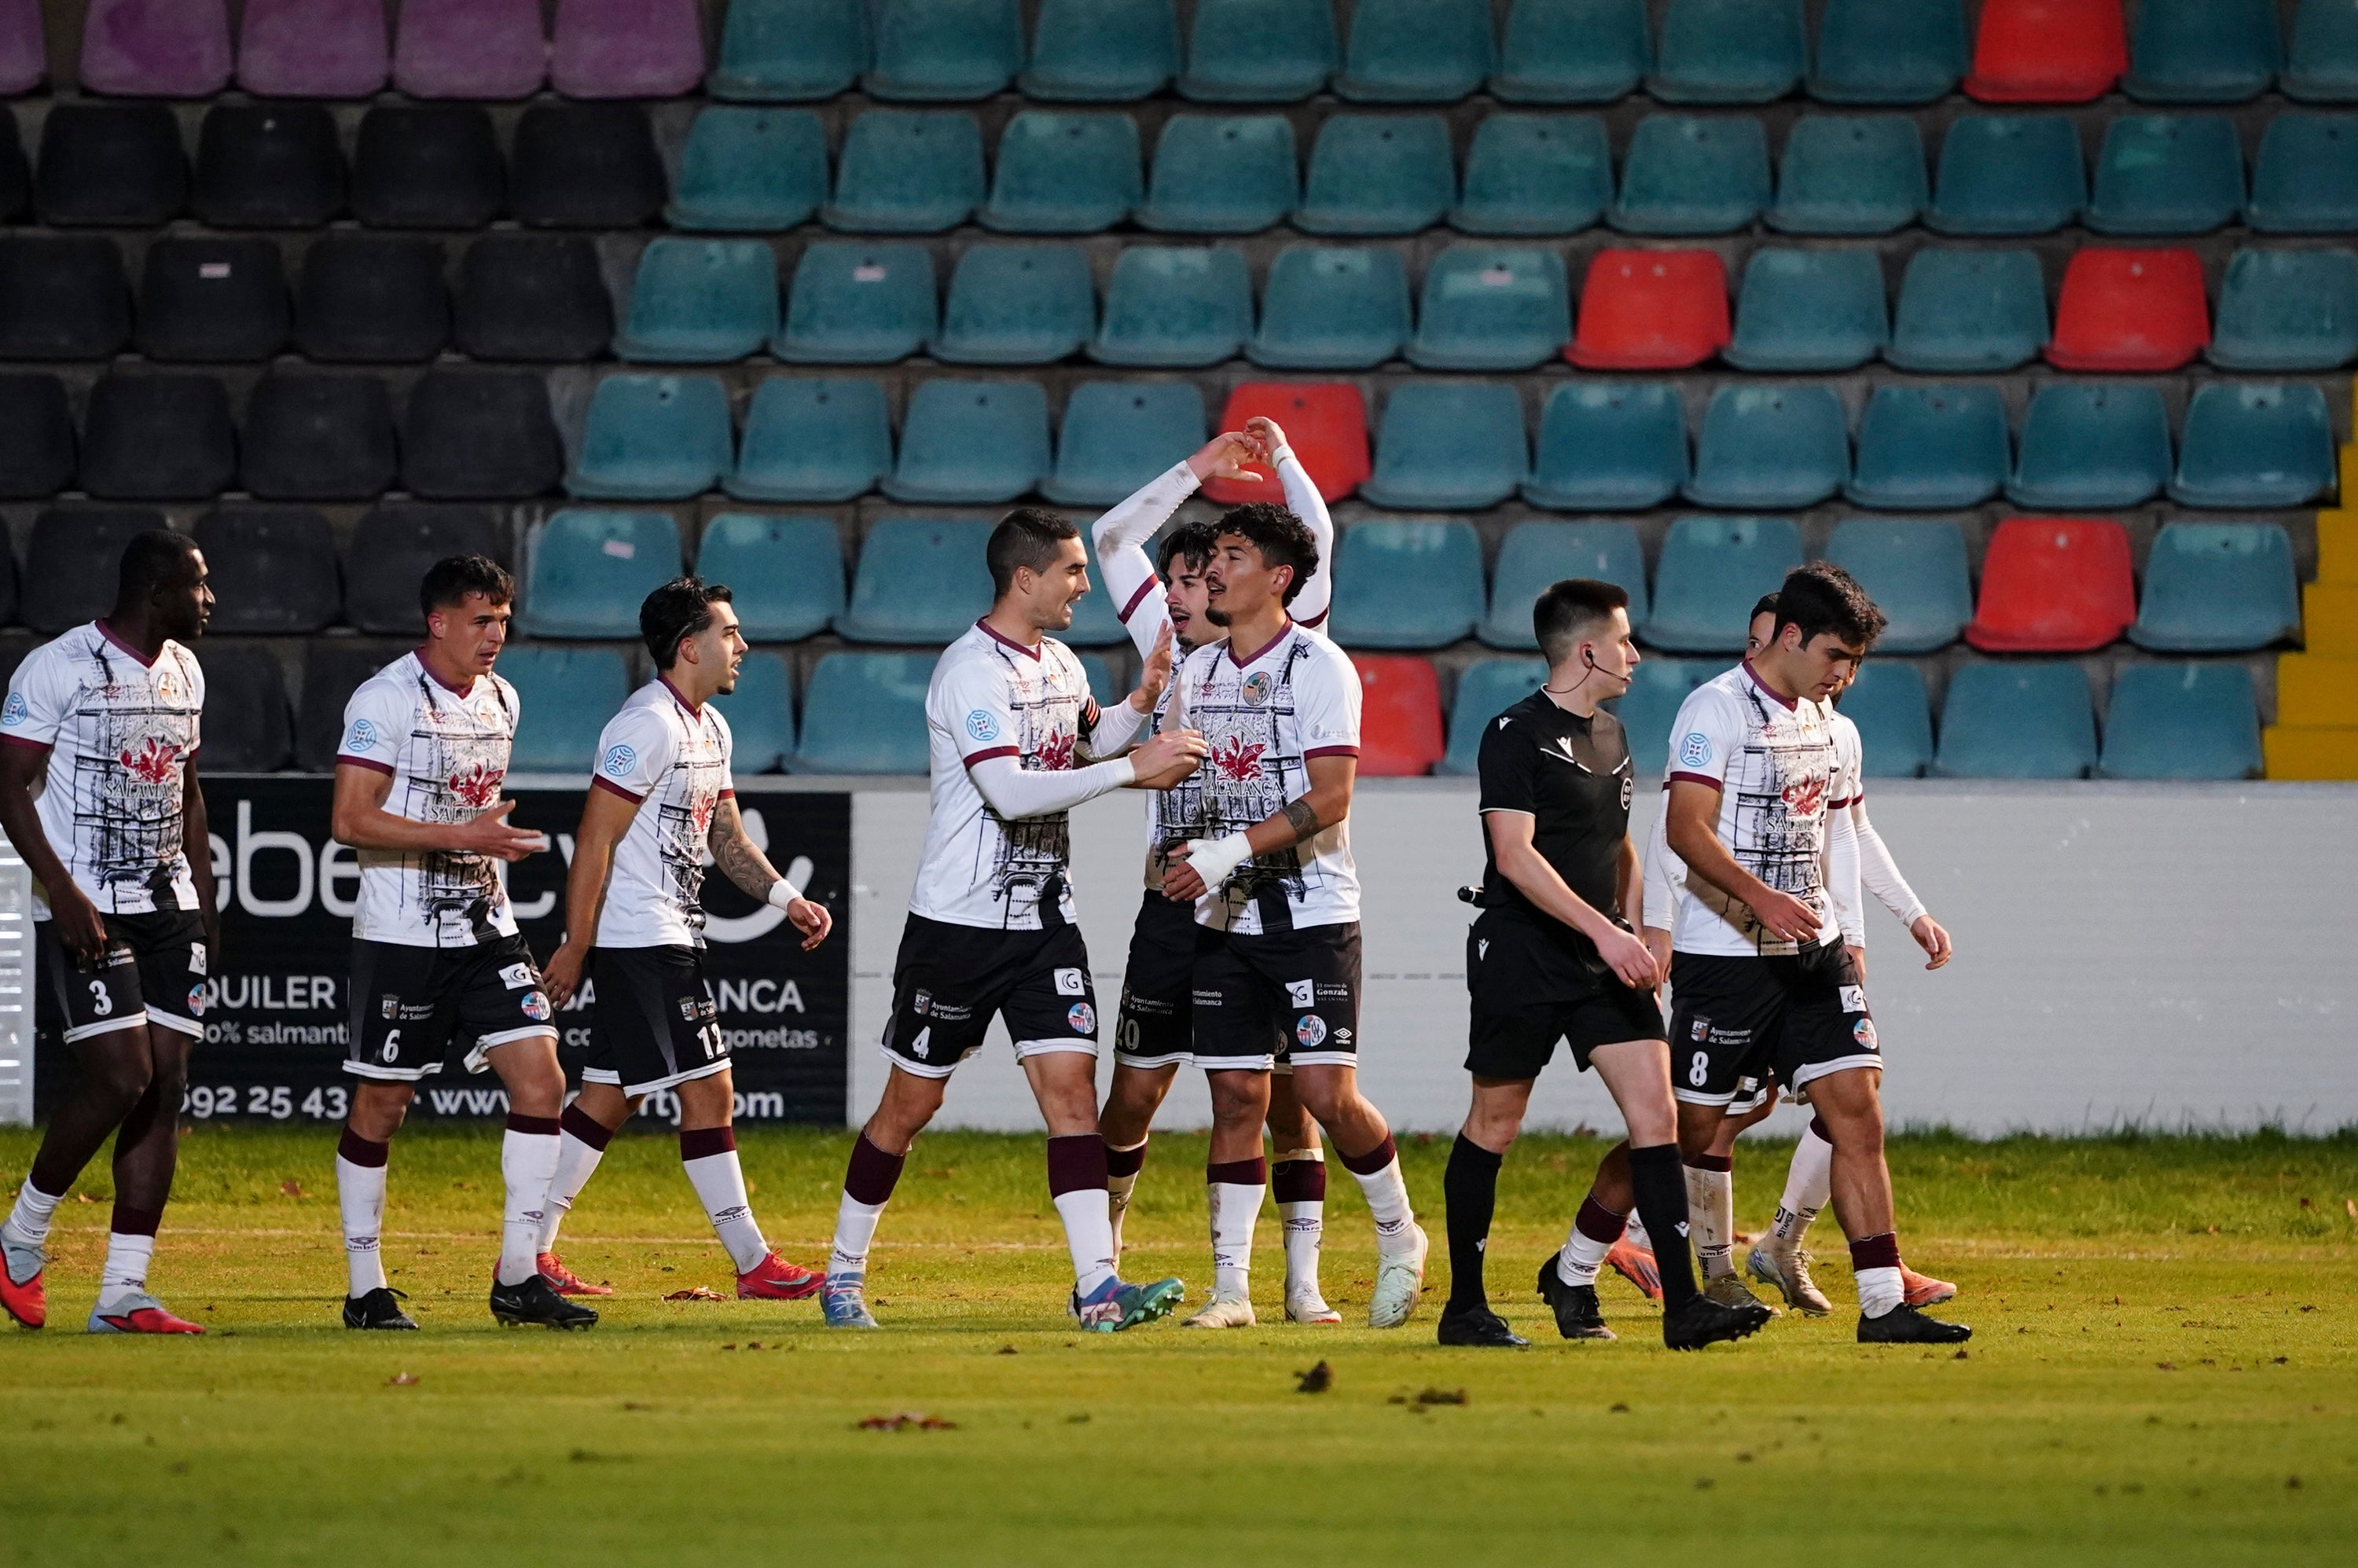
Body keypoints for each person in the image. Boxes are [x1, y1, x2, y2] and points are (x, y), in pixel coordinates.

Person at [820, 510, 1207, 1331]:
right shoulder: (969, 672)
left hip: (1044, 920)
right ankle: (843, 1275)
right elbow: (1008, 791)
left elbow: (1086, 745)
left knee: (1072, 1096)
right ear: (1024, 578)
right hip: (957, 925)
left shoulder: (1060, 661)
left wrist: (1138, 704)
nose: (1084, 585)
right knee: (909, 1107)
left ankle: (1098, 1288)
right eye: (1072, 569)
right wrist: (1133, 771)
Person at [1441, 579, 1772, 1352]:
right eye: (1624, 641)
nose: (1636, 654)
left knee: (1659, 1115)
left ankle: (1683, 1307)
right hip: (1521, 952)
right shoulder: (1513, 733)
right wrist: (1608, 934)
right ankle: (1464, 1308)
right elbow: (1514, 857)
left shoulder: (1614, 734)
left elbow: (1618, 842)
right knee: (1496, 1122)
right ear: (1587, 650)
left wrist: (1644, 926)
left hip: (1601, 958)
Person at [1659, 564, 1968, 1344]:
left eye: (1856, 662)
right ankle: (1587, 1253)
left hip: (1812, 950)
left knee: (1857, 1108)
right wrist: (1756, 897)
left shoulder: (1831, 726)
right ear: (1791, 637)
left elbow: (1847, 833)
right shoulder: (1714, 709)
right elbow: (1683, 829)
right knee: (1688, 1132)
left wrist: (1899, 917)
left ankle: (1882, 1304)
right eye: (1837, 656)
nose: (1845, 676)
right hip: (1724, 957)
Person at [1090, 417, 1343, 1327]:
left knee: (1281, 1100)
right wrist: (1198, 468)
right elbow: (1111, 537)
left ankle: (1298, 1281)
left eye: (1201, 577)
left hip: (1270, 895)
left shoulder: (1290, 636)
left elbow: (1317, 541)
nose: (1183, 594)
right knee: (1134, 1091)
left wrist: (1284, 460)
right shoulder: (1170, 644)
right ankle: (1101, 1253)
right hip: (1173, 901)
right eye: (1178, 580)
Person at [1159, 505, 1428, 1331]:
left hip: (1312, 912)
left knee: (1322, 1092)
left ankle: (1400, 1233)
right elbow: (1179, 776)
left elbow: (1333, 795)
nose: (1212, 569)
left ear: (1278, 578)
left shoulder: (1319, 666)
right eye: (1212, 555)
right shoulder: (1198, 671)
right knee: (1236, 1097)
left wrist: (1229, 850)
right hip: (1223, 916)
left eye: (1233, 556)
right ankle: (1232, 1290)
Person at [535, 578, 836, 1305]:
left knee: (609, 1097)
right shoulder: (645, 726)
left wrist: (786, 897)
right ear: (689, 646)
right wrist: (577, 945)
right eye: (729, 633)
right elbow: (594, 839)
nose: (743, 645)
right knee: (710, 1089)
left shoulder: (710, 728)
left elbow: (726, 836)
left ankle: (527, 1249)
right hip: (642, 938)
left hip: (670, 931)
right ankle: (753, 1261)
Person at [325, 556, 592, 1331]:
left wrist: (482, 844)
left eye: (503, 620)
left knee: (543, 1080)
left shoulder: (504, 699)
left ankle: (518, 1276)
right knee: (383, 1105)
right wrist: (463, 836)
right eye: (481, 620)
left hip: (485, 926)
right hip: (402, 932)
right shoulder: (385, 699)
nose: (495, 635)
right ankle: (365, 1288)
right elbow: (349, 819)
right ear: (437, 622)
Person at [0, 531, 218, 1335]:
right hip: (89, 901)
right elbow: (8, 784)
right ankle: (19, 1238)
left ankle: (124, 1293)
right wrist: (58, 889)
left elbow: (189, 791)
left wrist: (206, 904)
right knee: (123, 1077)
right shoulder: (58, 667)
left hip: (170, 905)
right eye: (199, 585)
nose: (210, 600)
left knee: (165, 1085)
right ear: (157, 591)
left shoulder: (187, 669)